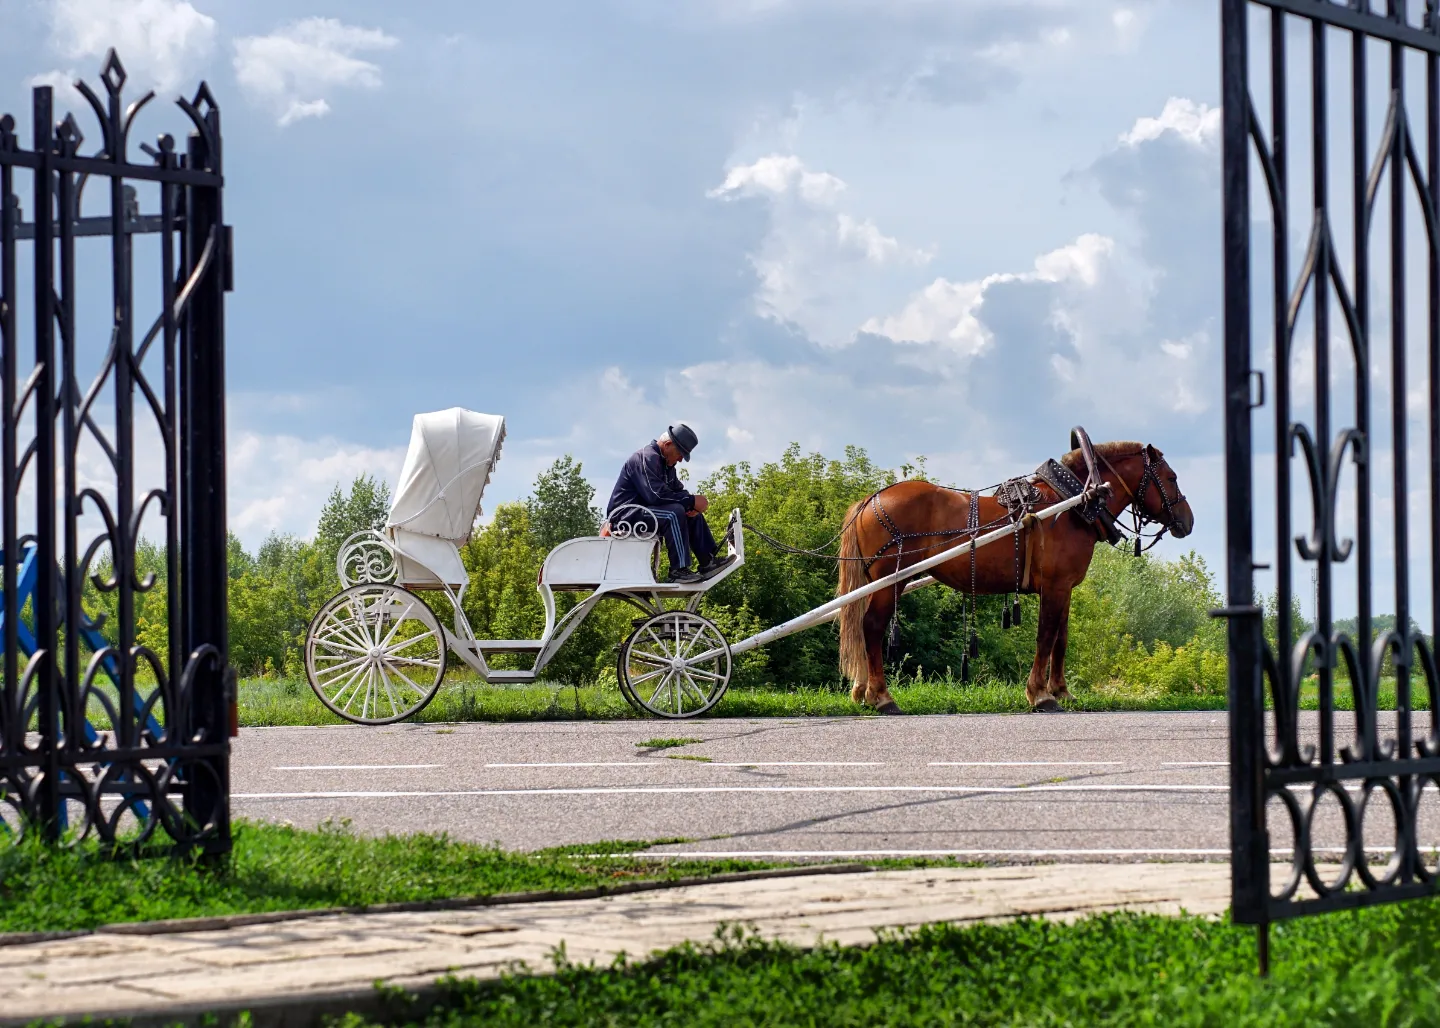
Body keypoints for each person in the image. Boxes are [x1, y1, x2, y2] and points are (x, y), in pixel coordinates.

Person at [606, 424, 734, 583]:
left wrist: (692, 505)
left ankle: (708, 561)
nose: (681, 459)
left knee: (690, 514)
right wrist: (692, 501)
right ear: (667, 445)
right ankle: (678, 571)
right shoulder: (646, 458)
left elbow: (678, 491)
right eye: (681, 453)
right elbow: (655, 495)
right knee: (674, 512)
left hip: (645, 512)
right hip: (625, 516)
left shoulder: (667, 466)